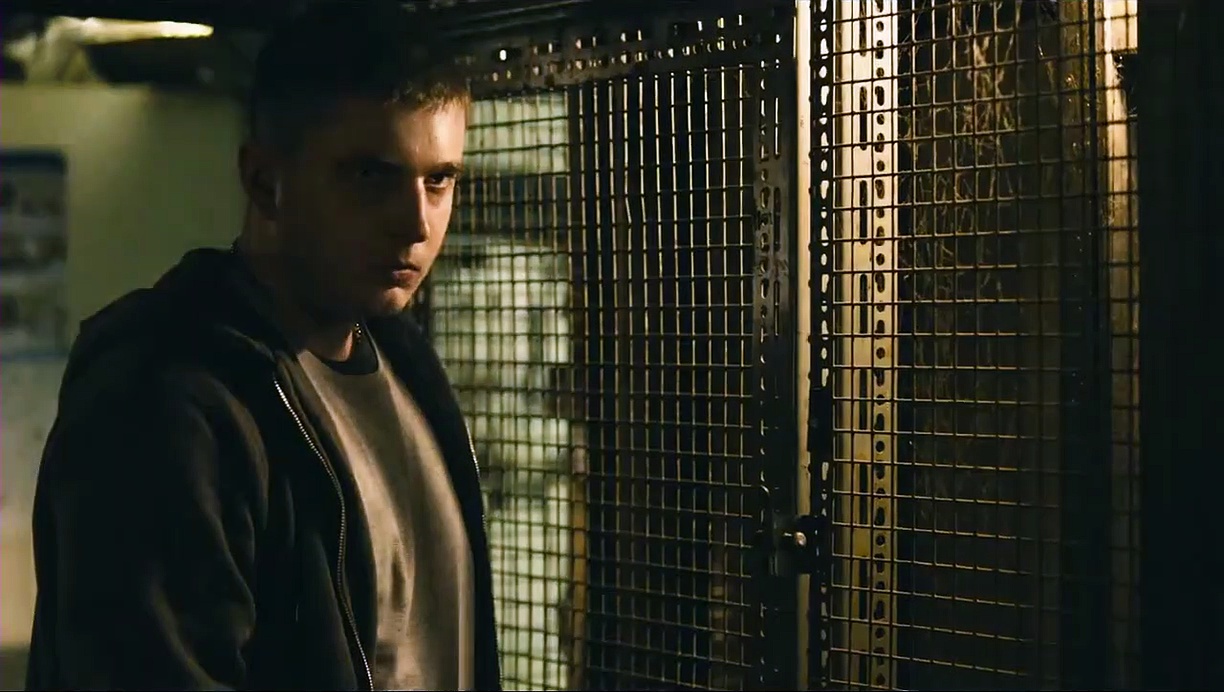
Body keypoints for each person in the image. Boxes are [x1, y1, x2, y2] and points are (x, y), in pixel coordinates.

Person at [24, 1, 501, 690]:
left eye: (440, 179)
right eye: (371, 176)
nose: (416, 222)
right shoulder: (162, 400)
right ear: (264, 182)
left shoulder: (409, 367)